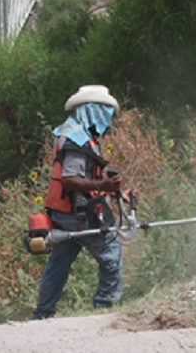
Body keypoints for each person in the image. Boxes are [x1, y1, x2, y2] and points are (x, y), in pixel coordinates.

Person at [32, 85, 124, 320]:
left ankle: (42, 314)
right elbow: (70, 179)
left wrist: (112, 191)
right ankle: (105, 310)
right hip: (78, 215)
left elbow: (83, 178)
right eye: (105, 112)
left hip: (62, 213)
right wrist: (103, 187)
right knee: (111, 255)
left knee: (58, 264)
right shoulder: (77, 139)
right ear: (92, 110)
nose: (108, 119)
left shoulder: (70, 132)